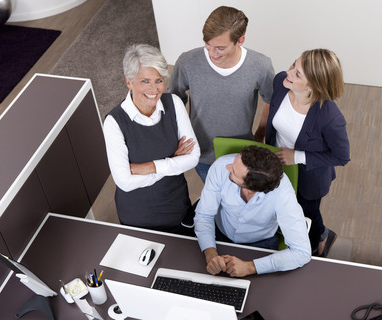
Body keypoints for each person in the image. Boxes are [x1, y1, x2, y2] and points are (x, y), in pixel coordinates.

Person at [169, 6, 275, 182]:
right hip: (202, 155)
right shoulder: (187, 62)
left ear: (240, 40)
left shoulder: (261, 66)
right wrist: (178, 137)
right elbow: (173, 100)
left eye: (220, 48)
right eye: (208, 45)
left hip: (241, 156)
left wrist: (259, 135)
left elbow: (272, 100)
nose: (211, 54)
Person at [103, 44, 200, 235]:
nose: (154, 89)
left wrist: (148, 167)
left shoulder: (174, 103)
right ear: (129, 82)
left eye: (158, 80)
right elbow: (124, 182)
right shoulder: (114, 122)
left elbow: (193, 156)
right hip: (138, 216)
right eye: (145, 81)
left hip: (177, 207)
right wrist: (172, 161)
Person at [265, 49, 350, 257]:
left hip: (309, 175)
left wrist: (297, 157)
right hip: (278, 163)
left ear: (314, 85)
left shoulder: (330, 117)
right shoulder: (280, 83)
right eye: (293, 65)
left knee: (306, 212)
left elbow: (342, 156)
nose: (288, 72)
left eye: (297, 73)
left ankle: (318, 239)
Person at [194, 145, 311, 277]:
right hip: (219, 237)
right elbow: (204, 215)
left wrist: (250, 267)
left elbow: (302, 252)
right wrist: (210, 254)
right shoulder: (220, 166)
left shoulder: (283, 195)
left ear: (251, 187)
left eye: (233, 171)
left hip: (261, 245)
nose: (227, 167)